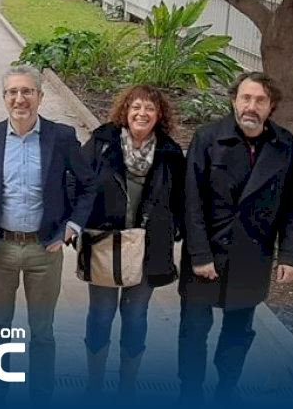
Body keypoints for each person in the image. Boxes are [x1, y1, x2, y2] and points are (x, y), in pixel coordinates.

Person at [178, 72, 293, 404]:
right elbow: (190, 201)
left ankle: (226, 391)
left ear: (271, 106)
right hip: (207, 251)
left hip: (253, 255)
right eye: (246, 98)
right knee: (193, 330)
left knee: (238, 332)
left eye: (260, 100)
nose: (252, 106)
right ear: (234, 100)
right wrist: (200, 255)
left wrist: (290, 255)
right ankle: (189, 393)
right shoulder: (207, 139)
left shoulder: (286, 146)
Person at [0, 65, 92, 402]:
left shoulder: (61, 137)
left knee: (42, 332)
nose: (19, 99)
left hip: (44, 250)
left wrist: (72, 227)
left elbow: (88, 185)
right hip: (0, 249)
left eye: (27, 92)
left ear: (40, 96)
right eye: (13, 92)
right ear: (4, 97)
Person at [67, 85, 185, 397]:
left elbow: (183, 199)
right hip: (105, 243)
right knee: (101, 313)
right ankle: (94, 386)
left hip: (148, 248)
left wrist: (173, 230)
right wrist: (75, 223)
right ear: (125, 110)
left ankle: (127, 388)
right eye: (136, 107)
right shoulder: (102, 142)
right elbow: (75, 179)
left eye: (149, 108)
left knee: (135, 315)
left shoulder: (171, 153)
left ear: (159, 115)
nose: (142, 113)